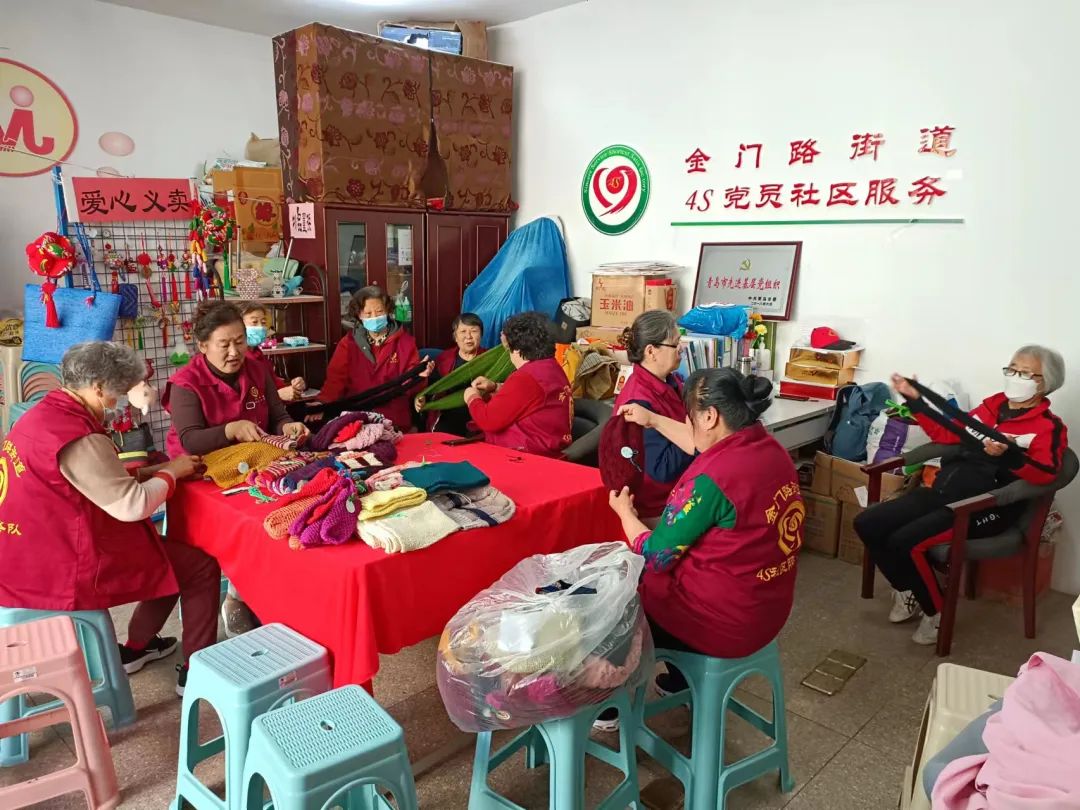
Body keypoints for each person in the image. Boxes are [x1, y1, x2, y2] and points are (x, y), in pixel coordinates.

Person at [0, 342, 218, 697]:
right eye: (118, 392)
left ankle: (136, 647)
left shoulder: (41, 415)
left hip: (23, 550)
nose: (119, 403)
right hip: (58, 565)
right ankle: (197, 671)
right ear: (99, 387)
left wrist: (159, 469)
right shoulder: (78, 435)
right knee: (198, 566)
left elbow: (93, 479)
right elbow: (132, 506)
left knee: (167, 558)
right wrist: (173, 472)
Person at [603, 368, 802, 728]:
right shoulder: (771, 451)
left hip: (721, 623)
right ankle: (681, 680)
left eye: (690, 417)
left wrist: (625, 515)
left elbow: (656, 555)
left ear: (709, 417)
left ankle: (606, 709)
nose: (688, 424)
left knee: (613, 605)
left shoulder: (713, 477)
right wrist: (652, 419)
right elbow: (700, 444)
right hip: (768, 609)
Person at [855, 345, 1068, 645]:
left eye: (1025, 373)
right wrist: (916, 402)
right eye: (1011, 369)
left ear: (1045, 383)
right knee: (868, 523)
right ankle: (909, 589)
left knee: (905, 541)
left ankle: (937, 612)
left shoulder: (1048, 427)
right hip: (947, 491)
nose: (1014, 377)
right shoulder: (989, 408)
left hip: (987, 506)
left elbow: (1046, 475)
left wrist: (1009, 457)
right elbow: (946, 434)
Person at [163, 300, 309, 636]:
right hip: (200, 477)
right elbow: (190, 440)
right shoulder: (186, 383)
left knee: (273, 521)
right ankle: (233, 600)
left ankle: (249, 597)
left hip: (251, 470)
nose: (234, 352)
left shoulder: (257, 369)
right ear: (202, 346)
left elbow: (278, 415)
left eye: (240, 341)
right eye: (224, 344)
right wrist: (230, 429)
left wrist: (288, 427)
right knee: (233, 536)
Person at [611, 310, 695, 523]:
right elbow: (661, 469)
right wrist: (695, 433)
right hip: (659, 507)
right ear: (651, 351)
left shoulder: (670, 381)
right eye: (675, 344)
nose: (681, 349)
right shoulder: (637, 401)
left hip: (682, 491)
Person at [319, 285, 433, 430]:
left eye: (379, 312)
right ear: (359, 315)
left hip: (394, 420)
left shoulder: (405, 342)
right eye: (368, 313)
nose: (374, 317)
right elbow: (335, 380)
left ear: (388, 311)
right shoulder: (348, 343)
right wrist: (321, 404)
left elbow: (410, 386)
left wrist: (420, 376)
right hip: (356, 419)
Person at [464, 312, 573, 457]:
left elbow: (488, 420)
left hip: (526, 455)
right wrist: (495, 386)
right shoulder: (552, 367)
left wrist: (471, 397)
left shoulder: (526, 376)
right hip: (551, 449)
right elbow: (532, 398)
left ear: (517, 349)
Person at [415, 313, 486, 436]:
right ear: (455, 336)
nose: (468, 336)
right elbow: (431, 390)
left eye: (474, 331)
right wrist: (421, 398)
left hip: (480, 417)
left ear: (481, 335)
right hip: (447, 415)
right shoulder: (443, 359)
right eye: (463, 331)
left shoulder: (490, 359)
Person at [240, 301, 306, 402]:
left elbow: (273, 384)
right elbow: (244, 400)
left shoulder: (258, 355)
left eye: (263, 322)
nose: (260, 327)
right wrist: (277, 395)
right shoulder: (238, 359)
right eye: (254, 322)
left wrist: (294, 386)